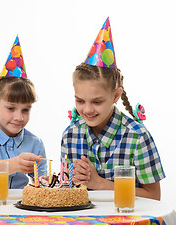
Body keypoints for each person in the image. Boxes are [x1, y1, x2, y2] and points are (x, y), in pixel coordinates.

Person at [61, 18, 165, 200]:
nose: (87, 109)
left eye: (97, 102)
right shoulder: (70, 136)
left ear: (116, 96)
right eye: (80, 100)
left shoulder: (137, 137)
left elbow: (153, 196)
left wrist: (100, 184)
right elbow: (67, 190)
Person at [0, 36, 46, 192]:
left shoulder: (35, 143)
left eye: (26, 109)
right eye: (11, 108)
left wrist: (45, 181)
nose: (19, 117)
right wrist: (17, 163)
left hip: (17, 211)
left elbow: (42, 183)